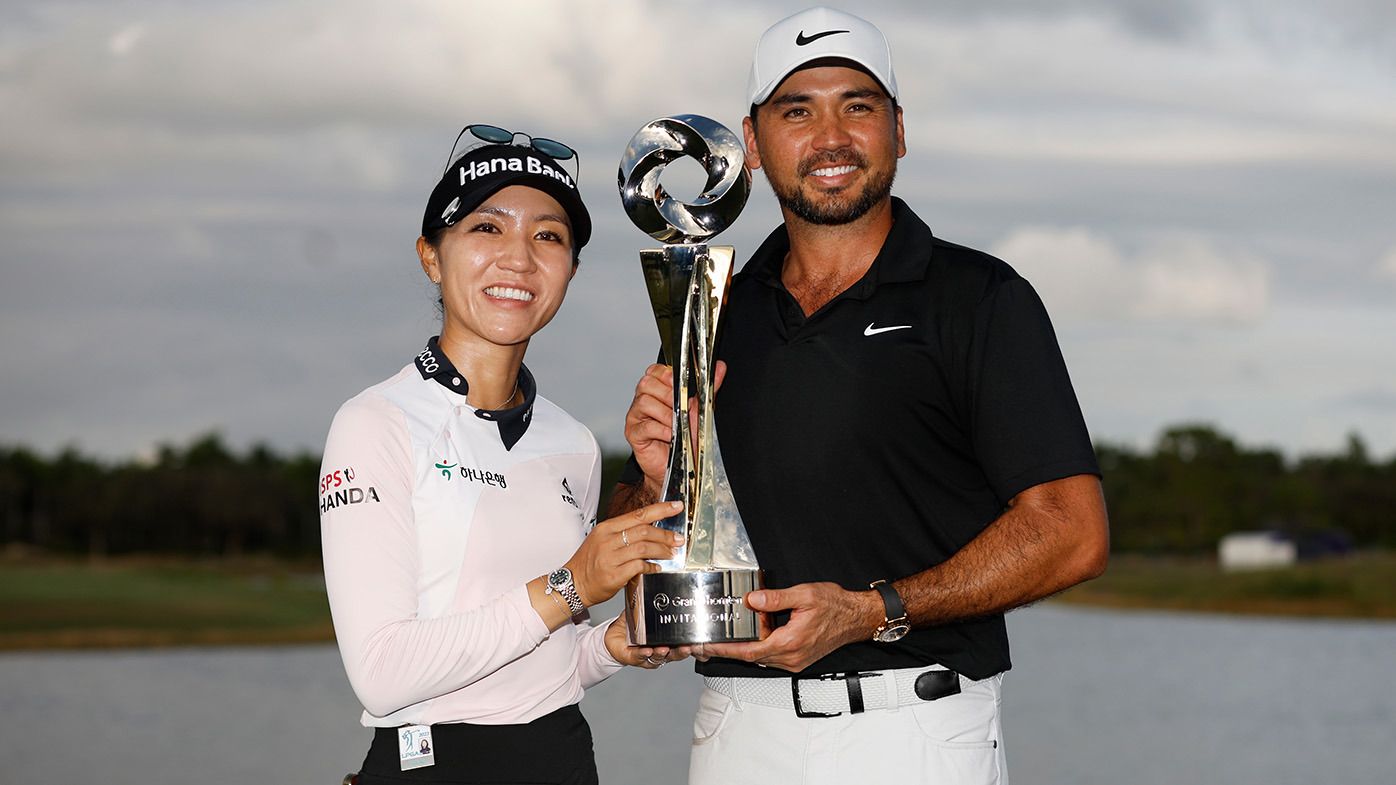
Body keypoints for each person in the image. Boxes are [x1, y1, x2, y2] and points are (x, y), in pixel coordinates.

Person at [610, 7, 1110, 784]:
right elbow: (652, 559)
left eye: (858, 105)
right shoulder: (713, 312)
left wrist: (871, 610)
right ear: (753, 140)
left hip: (915, 725)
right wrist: (655, 481)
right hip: (738, 729)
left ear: (899, 130)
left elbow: (1073, 533)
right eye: (797, 110)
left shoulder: (979, 299)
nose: (831, 136)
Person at [319, 123, 690, 785]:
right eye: (487, 228)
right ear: (432, 255)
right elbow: (382, 673)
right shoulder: (375, 423)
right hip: (429, 766)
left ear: (570, 270)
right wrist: (572, 583)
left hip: (563, 758)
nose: (518, 257)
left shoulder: (572, 441)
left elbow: (542, 666)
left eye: (548, 235)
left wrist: (614, 643)